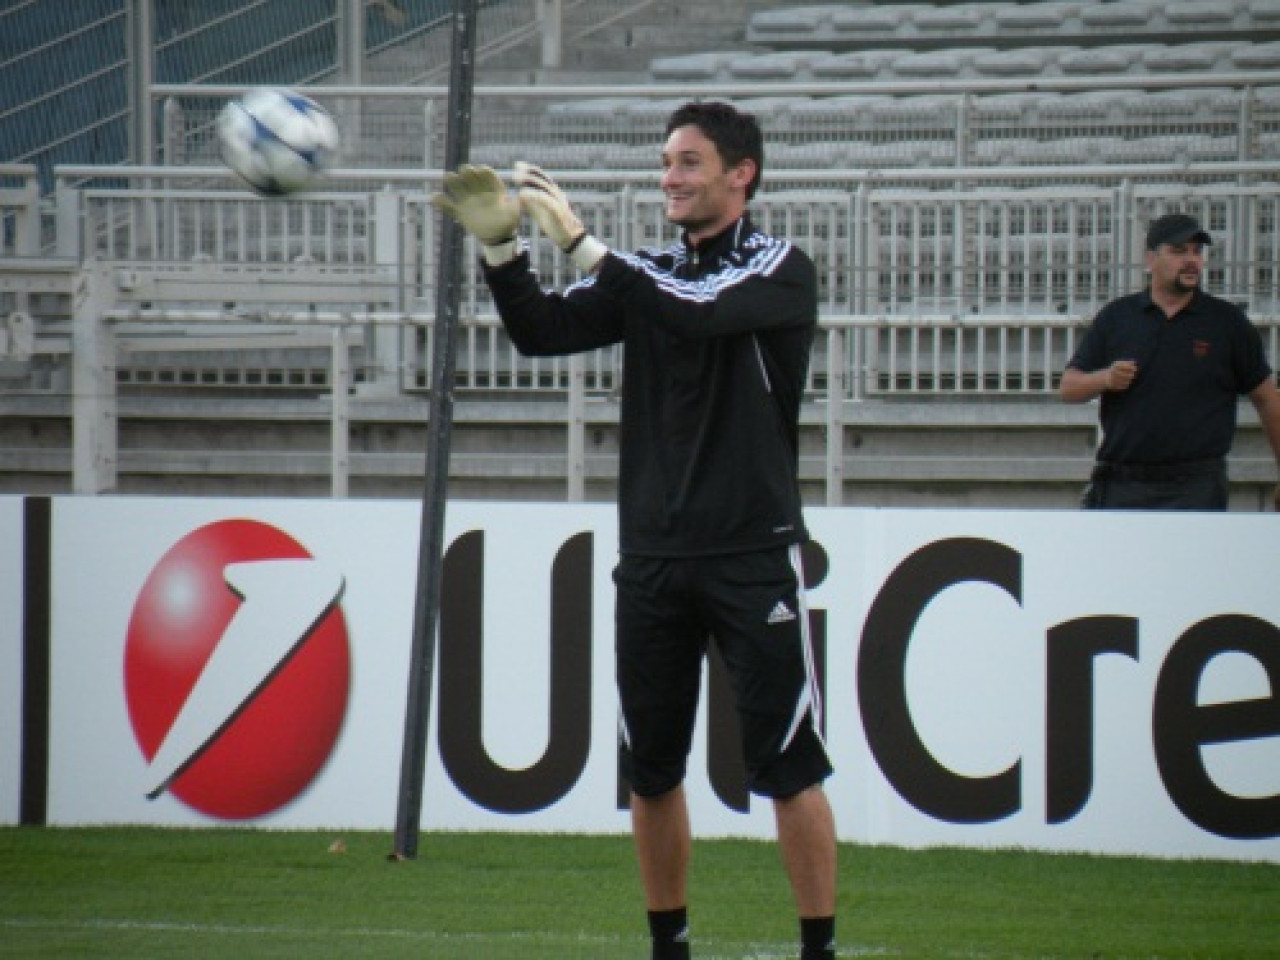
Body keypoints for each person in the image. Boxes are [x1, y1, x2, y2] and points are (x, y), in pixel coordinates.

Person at [432, 101, 837, 960]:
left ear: (741, 175)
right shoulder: (645, 271)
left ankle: (818, 949)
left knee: (788, 767)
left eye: (688, 163)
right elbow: (541, 332)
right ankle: (668, 946)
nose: (669, 179)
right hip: (651, 556)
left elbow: (697, 310)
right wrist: (502, 250)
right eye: (665, 163)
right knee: (650, 771)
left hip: (751, 554)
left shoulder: (780, 267)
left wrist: (582, 244)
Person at [1060, 211, 1280, 510]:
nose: (1191, 260)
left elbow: (1267, 399)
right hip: (1123, 483)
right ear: (1150, 259)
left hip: (1197, 487)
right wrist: (1105, 379)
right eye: (1178, 251)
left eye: (1197, 252)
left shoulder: (1227, 323)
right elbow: (1069, 388)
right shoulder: (1117, 317)